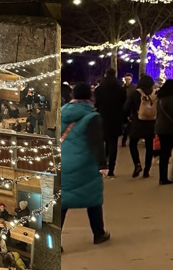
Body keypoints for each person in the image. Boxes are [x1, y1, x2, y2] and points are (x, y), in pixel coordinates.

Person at [61, 82, 111, 246]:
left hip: (63, 161)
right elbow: (97, 143)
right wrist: (103, 165)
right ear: (90, 96)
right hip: (84, 162)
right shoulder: (92, 116)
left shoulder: (62, 112)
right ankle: (98, 233)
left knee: (62, 200)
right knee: (94, 198)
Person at [94, 68, 127, 177]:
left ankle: (102, 166)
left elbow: (97, 103)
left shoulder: (99, 89)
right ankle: (111, 168)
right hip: (116, 118)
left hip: (102, 118)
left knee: (102, 143)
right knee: (113, 144)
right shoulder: (120, 89)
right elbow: (123, 103)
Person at [124, 74, 157, 178]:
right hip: (151, 122)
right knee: (149, 147)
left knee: (132, 144)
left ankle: (137, 164)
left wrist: (127, 117)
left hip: (137, 122)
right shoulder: (154, 94)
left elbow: (126, 108)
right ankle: (147, 170)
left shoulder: (135, 93)